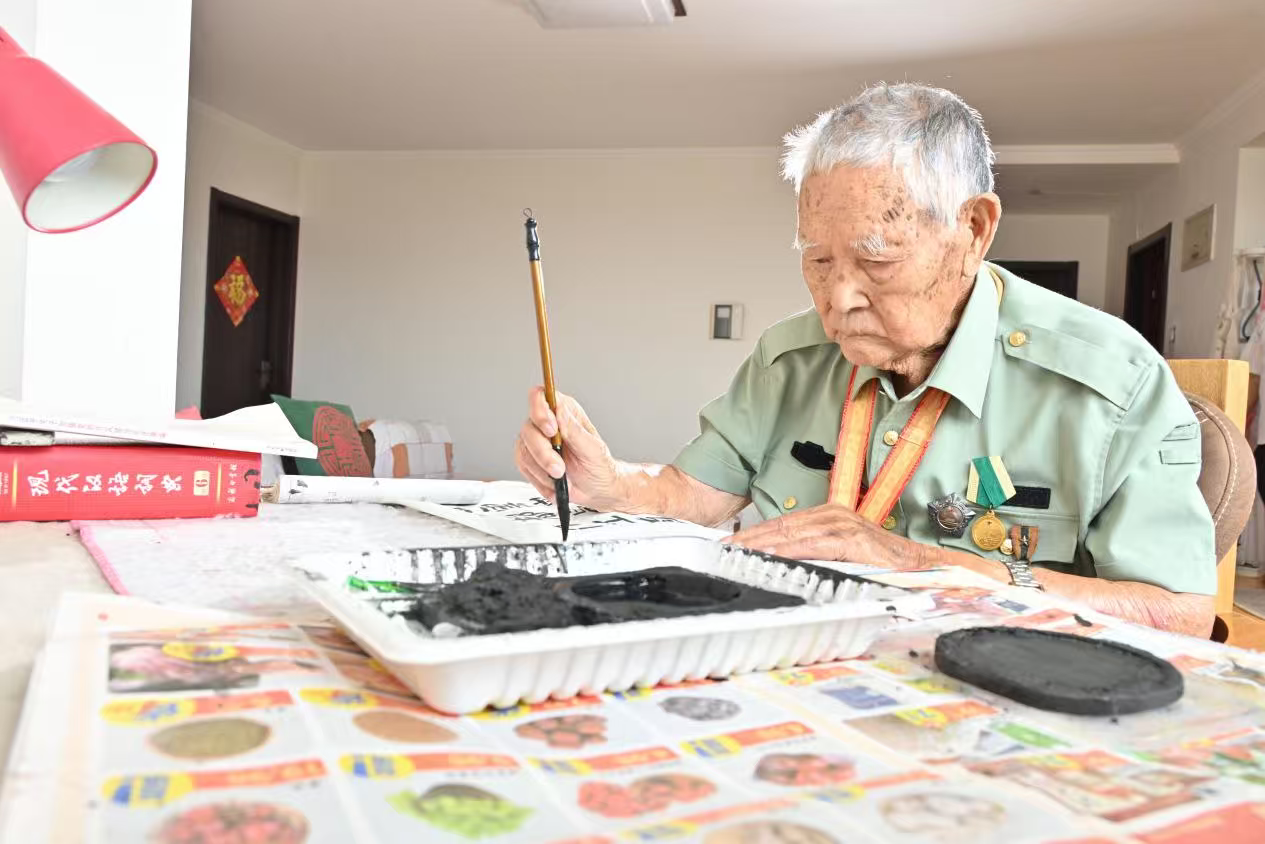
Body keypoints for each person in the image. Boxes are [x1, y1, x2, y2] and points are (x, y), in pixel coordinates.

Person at [515, 83, 1215, 637]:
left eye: (875, 260)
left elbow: (1178, 613)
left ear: (972, 231)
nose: (838, 300)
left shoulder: (1111, 383)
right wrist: (608, 483)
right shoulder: (789, 358)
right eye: (818, 261)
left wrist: (923, 563)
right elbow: (692, 495)